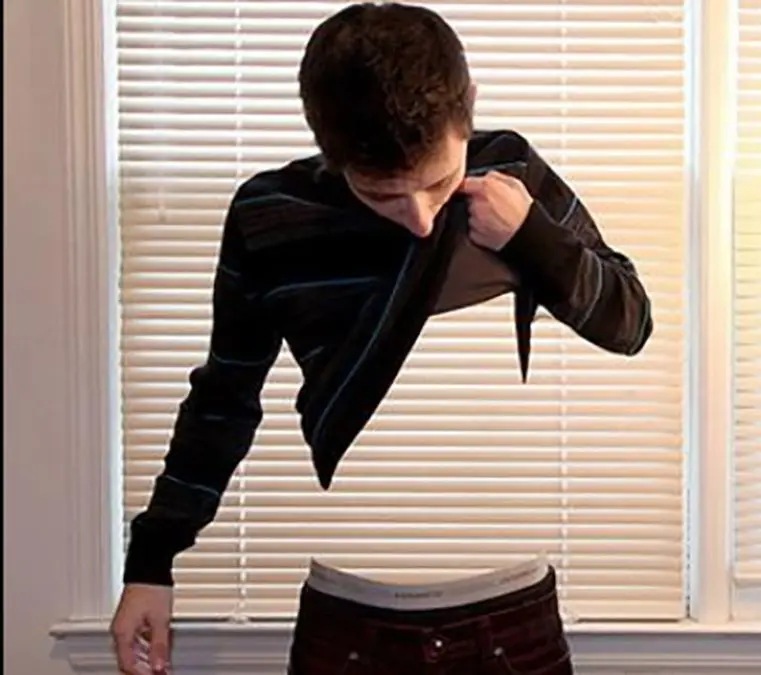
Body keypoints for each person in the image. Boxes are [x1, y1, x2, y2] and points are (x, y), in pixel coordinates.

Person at [108, 3, 653, 674]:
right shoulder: (270, 218)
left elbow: (630, 321)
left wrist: (533, 237)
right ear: (329, 148)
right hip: (345, 625)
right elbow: (223, 399)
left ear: (469, 107)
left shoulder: (510, 173)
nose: (420, 218)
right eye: (382, 195)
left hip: (515, 621)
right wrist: (152, 560)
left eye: (437, 183)